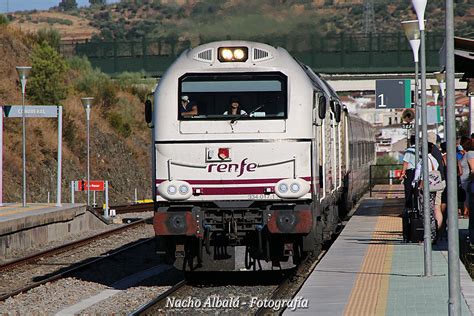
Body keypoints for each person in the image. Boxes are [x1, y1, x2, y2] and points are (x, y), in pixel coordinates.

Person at [399, 135, 418, 209]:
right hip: (419, 172)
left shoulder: (409, 150)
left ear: (411, 142)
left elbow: (406, 162)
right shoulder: (420, 150)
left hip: (411, 172)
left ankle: (408, 209)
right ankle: (417, 207)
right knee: (417, 191)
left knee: (409, 191)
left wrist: (403, 173)